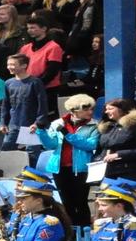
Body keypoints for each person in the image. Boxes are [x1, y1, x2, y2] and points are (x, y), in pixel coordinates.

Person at [35, 93, 99, 228]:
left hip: (81, 168)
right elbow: (51, 145)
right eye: (86, 109)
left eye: (91, 109)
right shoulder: (57, 123)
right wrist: (41, 131)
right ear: (74, 110)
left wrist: (68, 134)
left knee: (80, 201)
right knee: (66, 202)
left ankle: (83, 233)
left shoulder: (94, 125)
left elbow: (90, 145)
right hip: (60, 167)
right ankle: (70, 233)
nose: (90, 112)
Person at [0, 54, 49, 165]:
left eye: (13, 64)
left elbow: (42, 104)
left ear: (24, 66)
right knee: (6, 150)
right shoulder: (8, 83)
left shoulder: (35, 82)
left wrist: (38, 123)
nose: (9, 67)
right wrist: (3, 123)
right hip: (13, 124)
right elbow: (5, 105)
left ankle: (31, 176)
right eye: (8, 64)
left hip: (30, 125)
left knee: (31, 153)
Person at [96, 99, 136, 182]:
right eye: (106, 109)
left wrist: (118, 154)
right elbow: (102, 149)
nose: (106, 112)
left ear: (121, 109)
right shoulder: (108, 127)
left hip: (131, 172)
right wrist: (98, 160)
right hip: (109, 173)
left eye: (110, 109)